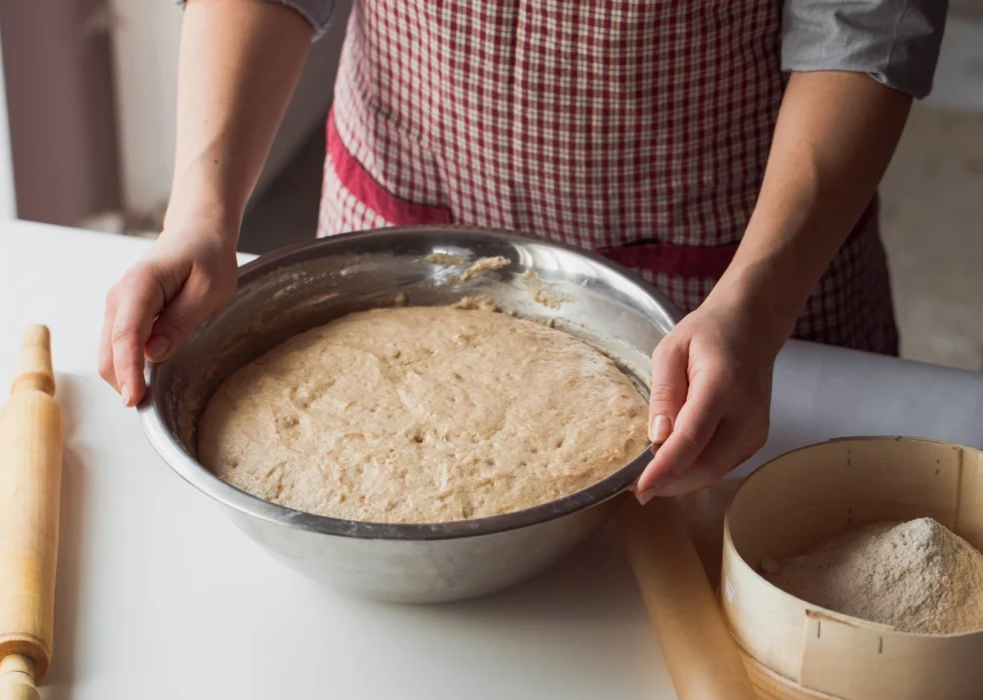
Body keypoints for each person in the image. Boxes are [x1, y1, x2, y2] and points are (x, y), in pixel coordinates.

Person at [99, 0, 946, 504]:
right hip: (400, 234)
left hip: (737, 288)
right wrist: (200, 217)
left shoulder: (751, 300)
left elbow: (860, 24)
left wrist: (755, 299)